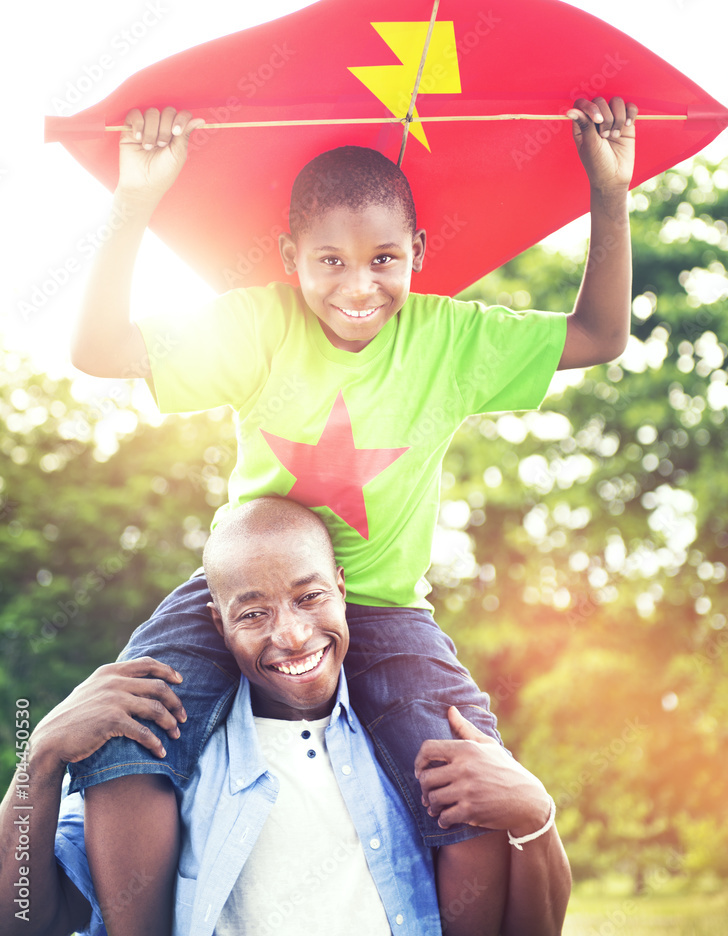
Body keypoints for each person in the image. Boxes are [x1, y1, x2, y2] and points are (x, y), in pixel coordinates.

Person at [67, 95, 635, 934]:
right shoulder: (260, 324)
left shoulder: (449, 340)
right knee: (122, 741)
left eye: (383, 259)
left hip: (386, 607)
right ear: (290, 258)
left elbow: (600, 335)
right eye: (329, 261)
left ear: (418, 254)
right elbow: (97, 351)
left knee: (467, 780)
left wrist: (610, 190)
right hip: (249, 593)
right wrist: (136, 201)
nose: (359, 286)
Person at [0, 499, 571, 936]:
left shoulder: (417, 747)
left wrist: (535, 815)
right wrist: (40, 759)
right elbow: (22, 917)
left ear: (342, 590)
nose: (292, 635)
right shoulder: (170, 764)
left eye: (309, 597)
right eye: (253, 612)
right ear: (218, 625)